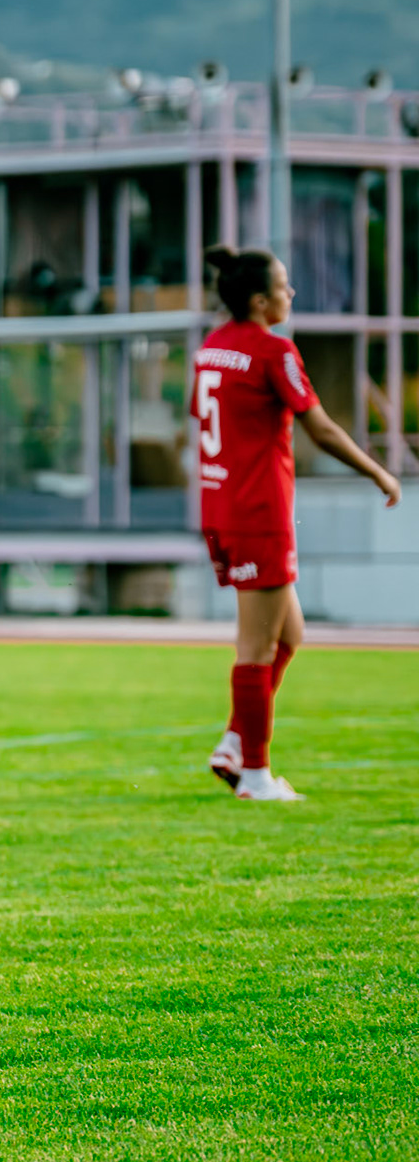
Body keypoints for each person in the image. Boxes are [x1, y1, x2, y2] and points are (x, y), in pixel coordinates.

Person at [192, 247, 400, 801]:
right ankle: (256, 776)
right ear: (261, 301)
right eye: (284, 288)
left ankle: (236, 742)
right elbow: (322, 429)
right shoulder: (273, 350)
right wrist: (380, 472)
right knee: (256, 647)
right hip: (259, 511)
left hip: (222, 505)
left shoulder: (213, 347)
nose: (292, 296)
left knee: (291, 633)